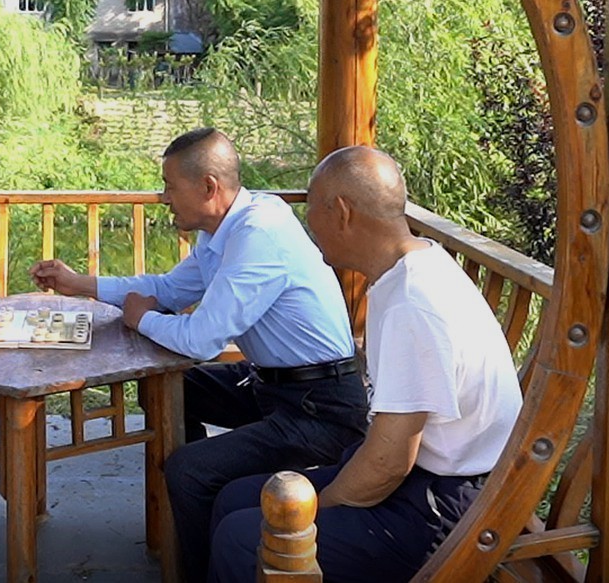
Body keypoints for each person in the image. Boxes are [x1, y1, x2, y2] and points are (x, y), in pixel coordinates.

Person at [29, 127, 365, 582]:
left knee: (189, 471)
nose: (163, 198)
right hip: (271, 385)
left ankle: (204, 562)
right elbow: (168, 290)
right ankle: (207, 512)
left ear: (208, 187)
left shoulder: (259, 234)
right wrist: (80, 284)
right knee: (171, 389)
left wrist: (141, 320)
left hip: (320, 409)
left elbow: (201, 340)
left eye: (170, 186)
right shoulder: (222, 230)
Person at [206, 146, 523, 582]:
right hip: (423, 479)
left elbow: (388, 464)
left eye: (312, 210)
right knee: (235, 499)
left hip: (442, 505)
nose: (309, 226)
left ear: (341, 212)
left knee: (241, 538)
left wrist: (317, 511)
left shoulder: (413, 302)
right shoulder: (416, 263)